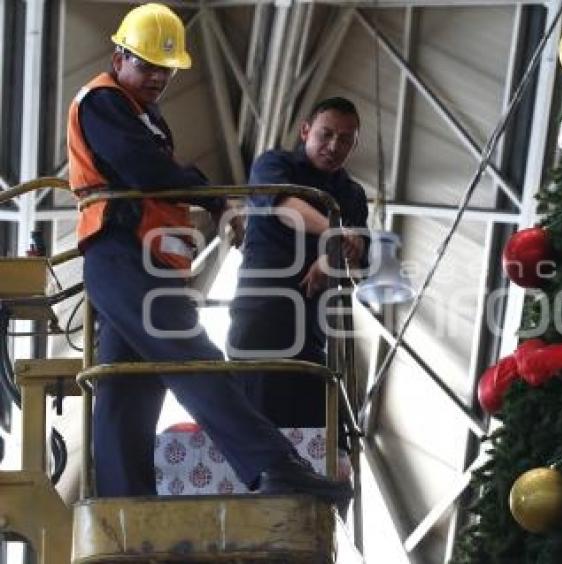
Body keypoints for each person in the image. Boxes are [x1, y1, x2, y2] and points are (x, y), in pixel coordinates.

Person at [67, 2, 351, 505]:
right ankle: (272, 465)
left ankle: (123, 505)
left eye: (166, 69)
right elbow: (146, 171)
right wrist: (216, 196)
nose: (157, 77)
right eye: (147, 64)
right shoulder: (103, 102)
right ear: (119, 57)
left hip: (144, 261)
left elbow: (156, 169)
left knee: (127, 390)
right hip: (122, 255)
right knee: (195, 359)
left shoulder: (144, 118)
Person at [228, 97, 368, 433]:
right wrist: (336, 232)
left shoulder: (352, 194)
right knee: (258, 423)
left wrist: (333, 257)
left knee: (320, 434)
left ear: (355, 144)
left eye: (345, 139)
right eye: (326, 134)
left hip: (311, 332)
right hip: (262, 320)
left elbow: (361, 257)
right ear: (306, 131)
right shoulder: (273, 164)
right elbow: (285, 205)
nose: (334, 146)